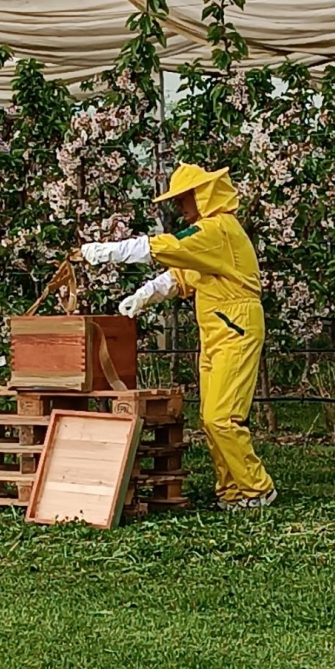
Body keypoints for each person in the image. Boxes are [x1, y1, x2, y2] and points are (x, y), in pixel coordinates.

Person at [81, 162, 277, 511]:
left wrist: (112, 251)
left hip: (235, 328)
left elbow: (167, 247)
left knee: (222, 417)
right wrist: (144, 294)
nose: (181, 210)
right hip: (220, 328)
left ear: (203, 197)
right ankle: (232, 491)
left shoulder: (216, 230)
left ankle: (257, 489)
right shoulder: (212, 236)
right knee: (212, 417)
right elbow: (181, 275)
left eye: (185, 201)